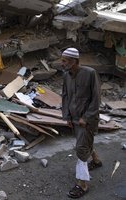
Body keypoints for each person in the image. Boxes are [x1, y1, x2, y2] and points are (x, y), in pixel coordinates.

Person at [61, 48, 103, 198]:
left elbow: (96, 98)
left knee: (81, 148)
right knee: (84, 142)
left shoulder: (90, 73)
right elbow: (65, 96)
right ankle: (96, 161)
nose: (62, 63)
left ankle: (83, 184)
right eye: (62, 60)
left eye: (65, 61)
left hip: (87, 120)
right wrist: (66, 116)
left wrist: (86, 117)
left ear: (75, 62)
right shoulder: (66, 75)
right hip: (74, 118)